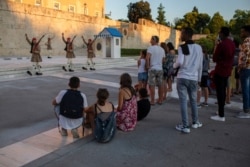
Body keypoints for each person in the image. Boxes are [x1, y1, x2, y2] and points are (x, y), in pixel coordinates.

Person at [174, 27, 203, 133]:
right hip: (194, 78)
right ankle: (195, 122)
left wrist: (174, 65)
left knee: (183, 101)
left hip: (182, 77)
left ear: (186, 34)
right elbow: (200, 64)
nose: (180, 35)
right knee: (193, 101)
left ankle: (185, 126)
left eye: (181, 33)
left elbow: (180, 62)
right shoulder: (199, 48)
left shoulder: (182, 47)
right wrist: (199, 78)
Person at [210, 27, 235, 122]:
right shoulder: (232, 44)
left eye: (219, 33)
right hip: (227, 70)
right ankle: (221, 111)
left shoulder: (221, 44)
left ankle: (221, 114)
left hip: (220, 70)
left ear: (222, 34)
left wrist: (216, 46)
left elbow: (214, 58)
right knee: (223, 91)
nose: (218, 34)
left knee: (220, 92)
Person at [146, 35, 165, 105]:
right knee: (160, 85)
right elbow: (163, 60)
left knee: (152, 85)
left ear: (154, 40)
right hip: (160, 69)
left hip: (153, 68)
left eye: (151, 40)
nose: (150, 41)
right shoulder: (162, 49)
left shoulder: (150, 48)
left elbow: (147, 58)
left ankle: (153, 101)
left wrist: (148, 66)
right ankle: (160, 100)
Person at [236, 25, 250, 118]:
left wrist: (241, 67)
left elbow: (245, 56)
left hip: (246, 68)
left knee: (245, 89)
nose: (241, 34)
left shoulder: (246, 42)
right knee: (248, 89)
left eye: (242, 32)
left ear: (247, 32)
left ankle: (246, 111)